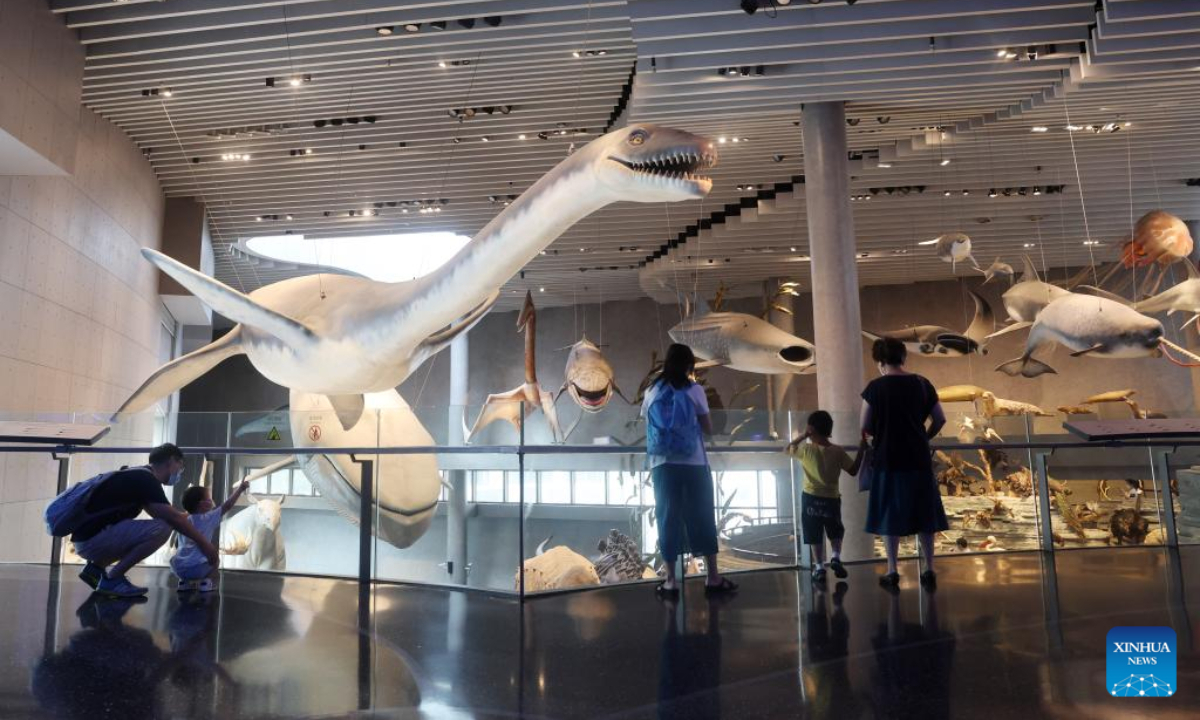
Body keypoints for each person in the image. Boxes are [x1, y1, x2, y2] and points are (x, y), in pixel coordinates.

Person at [642, 343, 737, 597]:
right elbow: (709, 428)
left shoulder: (652, 390)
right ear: (689, 366)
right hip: (694, 464)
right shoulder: (694, 390)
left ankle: (671, 581)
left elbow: (649, 425)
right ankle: (713, 577)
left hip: (663, 465)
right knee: (702, 515)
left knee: (667, 518)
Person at [72, 444, 221, 598]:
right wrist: (206, 545)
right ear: (171, 461)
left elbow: (162, 513)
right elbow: (172, 519)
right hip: (93, 540)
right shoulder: (147, 480)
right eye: (180, 466)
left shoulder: (138, 474)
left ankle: (95, 569)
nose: (180, 473)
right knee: (164, 527)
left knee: (160, 526)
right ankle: (112, 579)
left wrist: (190, 515)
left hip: (86, 538)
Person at [860, 338, 948, 589]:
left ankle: (892, 569)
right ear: (903, 357)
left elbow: (864, 425)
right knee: (924, 511)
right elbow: (940, 418)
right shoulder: (922, 383)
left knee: (890, 511)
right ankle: (929, 568)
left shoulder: (875, 388)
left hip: (887, 458)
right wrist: (924, 437)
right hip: (918, 457)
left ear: (879, 361)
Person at [787, 410, 868, 583]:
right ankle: (836, 557)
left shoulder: (806, 450)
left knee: (814, 532)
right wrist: (861, 449)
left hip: (810, 497)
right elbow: (853, 470)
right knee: (835, 529)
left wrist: (803, 436)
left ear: (811, 429)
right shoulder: (838, 451)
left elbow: (787, 449)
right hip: (831, 498)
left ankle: (819, 568)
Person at [173, 479, 249, 592]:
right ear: (203, 504)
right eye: (209, 499)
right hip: (198, 568)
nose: (212, 501)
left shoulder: (184, 520)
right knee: (215, 559)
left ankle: (184, 583)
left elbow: (177, 544)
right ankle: (205, 583)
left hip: (179, 568)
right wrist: (240, 489)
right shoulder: (207, 518)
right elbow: (227, 505)